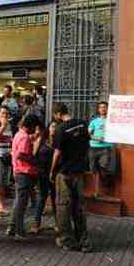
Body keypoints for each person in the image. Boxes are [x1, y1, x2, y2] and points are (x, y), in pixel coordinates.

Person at [50, 103, 91, 252]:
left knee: (63, 206)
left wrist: (52, 170)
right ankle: (84, 241)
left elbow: (57, 153)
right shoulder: (82, 124)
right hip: (79, 172)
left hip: (65, 172)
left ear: (58, 114)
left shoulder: (60, 129)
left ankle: (67, 240)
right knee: (79, 207)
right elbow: (88, 142)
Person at [8, 114, 41, 240]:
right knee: (22, 203)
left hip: (19, 171)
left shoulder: (19, 134)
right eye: (34, 127)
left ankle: (12, 227)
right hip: (24, 172)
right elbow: (21, 155)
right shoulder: (25, 137)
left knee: (19, 201)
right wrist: (33, 160)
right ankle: (19, 230)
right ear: (31, 126)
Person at [30, 121, 57, 234]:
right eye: (52, 126)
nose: (54, 129)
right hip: (42, 173)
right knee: (42, 197)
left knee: (56, 199)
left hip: (55, 173)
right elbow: (33, 155)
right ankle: (36, 224)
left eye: (56, 127)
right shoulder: (41, 140)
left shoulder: (59, 141)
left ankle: (58, 223)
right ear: (48, 128)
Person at [88, 101, 117, 197]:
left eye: (104, 107)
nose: (103, 109)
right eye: (101, 107)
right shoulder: (94, 121)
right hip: (93, 147)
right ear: (98, 109)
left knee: (104, 167)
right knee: (93, 170)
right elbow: (88, 134)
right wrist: (95, 138)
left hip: (106, 147)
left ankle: (105, 185)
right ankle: (96, 191)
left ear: (108, 109)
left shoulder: (112, 121)